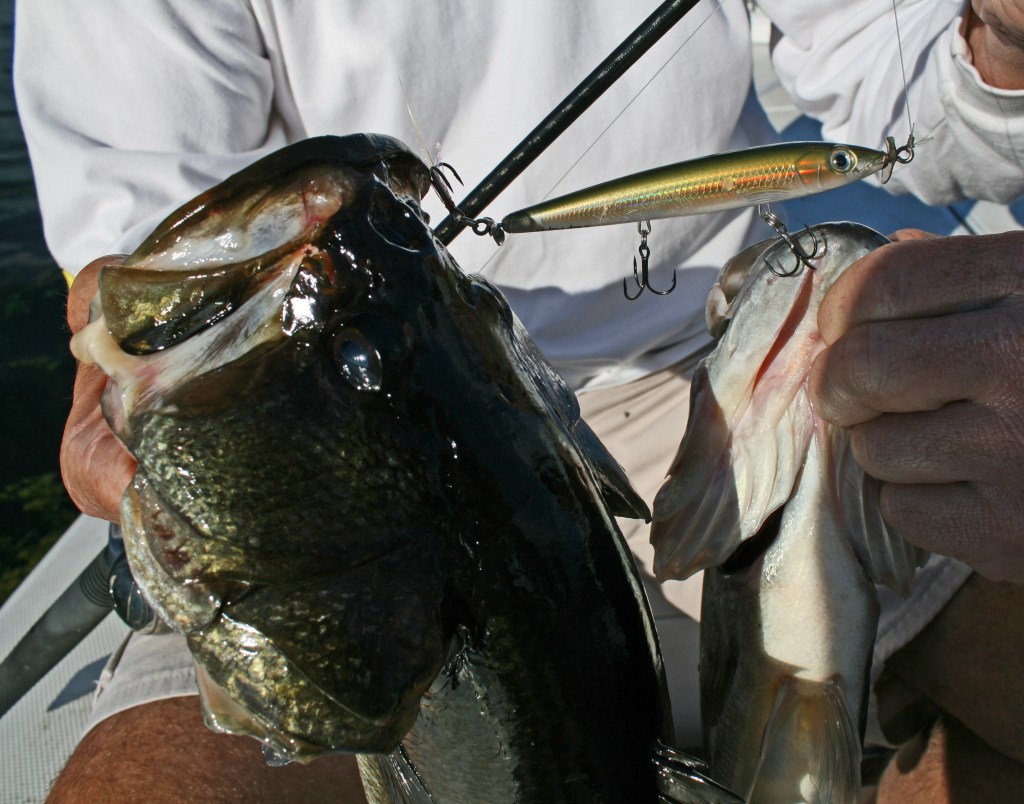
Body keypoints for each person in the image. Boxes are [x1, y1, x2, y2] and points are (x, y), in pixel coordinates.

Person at [12, 0, 1024, 799]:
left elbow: (930, 122)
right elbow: (146, 269)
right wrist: (133, 397)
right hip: (355, 435)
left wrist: (1004, 40)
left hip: (721, 372)